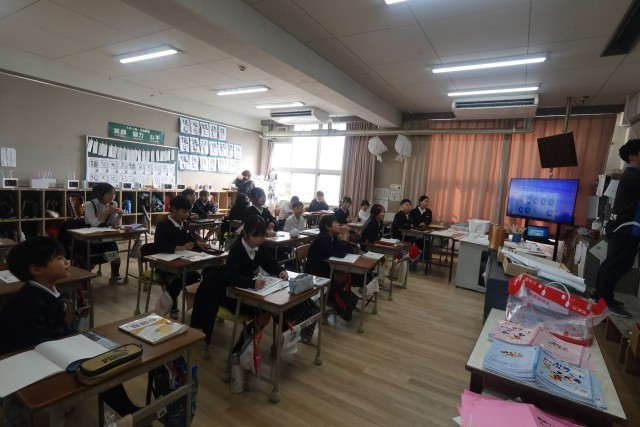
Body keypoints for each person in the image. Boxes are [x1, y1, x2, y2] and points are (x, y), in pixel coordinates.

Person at [0, 237, 139, 416]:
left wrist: (79, 341)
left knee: (103, 362)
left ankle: (128, 412)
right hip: (24, 363)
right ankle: (129, 413)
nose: (67, 262)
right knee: (98, 367)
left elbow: (57, 329)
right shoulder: (29, 302)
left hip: (46, 351)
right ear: (36, 269)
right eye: (59, 258)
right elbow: (38, 344)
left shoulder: (46, 293)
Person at [593, 139, 640, 318]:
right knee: (616, 266)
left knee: (613, 264)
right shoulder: (634, 176)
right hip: (625, 229)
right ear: (632, 157)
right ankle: (605, 301)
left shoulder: (632, 175)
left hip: (624, 229)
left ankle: (602, 296)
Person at [154, 195, 210, 319]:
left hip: (182, 264)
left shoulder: (185, 224)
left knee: (197, 279)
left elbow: (190, 240)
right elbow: (160, 246)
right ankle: (160, 312)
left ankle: (198, 309)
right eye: (184, 212)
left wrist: (198, 244)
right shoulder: (163, 225)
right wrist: (178, 247)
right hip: (165, 266)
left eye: (188, 212)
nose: (186, 215)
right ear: (174, 209)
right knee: (177, 282)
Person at [304, 214, 356, 320]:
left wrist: (345, 237)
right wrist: (344, 236)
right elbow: (340, 253)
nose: (339, 225)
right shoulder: (323, 240)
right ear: (328, 226)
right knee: (343, 277)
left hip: (326, 269)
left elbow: (347, 250)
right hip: (316, 273)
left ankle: (330, 300)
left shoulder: (332, 237)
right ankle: (328, 301)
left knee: (345, 276)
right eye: (336, 223)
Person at [84, 182, 125, 285]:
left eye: (114, 193)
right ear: (99, 194)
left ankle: (115, 276)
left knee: (114, 253)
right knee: (93, 257)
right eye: (109, 193)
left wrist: (120, 215)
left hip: (105, 233)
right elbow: (94, 224)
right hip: (90, 235)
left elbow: (112, 223)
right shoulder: (89, 204)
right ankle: (85, 278)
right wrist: (105, 211)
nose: (112, 196)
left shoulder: (113, 203)